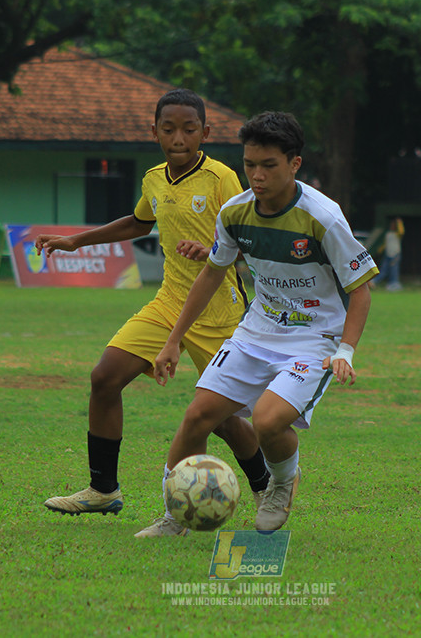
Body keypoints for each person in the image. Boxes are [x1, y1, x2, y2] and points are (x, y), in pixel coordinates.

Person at [34, 89, 271, 527]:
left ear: (205, 132)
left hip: (221, 315)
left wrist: (214, 251)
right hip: (167, 304)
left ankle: (266, 489)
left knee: (221, 420)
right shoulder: (154, 178)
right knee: (104, 377)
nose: (178, 138)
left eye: (188, 129)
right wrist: (75, 239)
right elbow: (140, 221)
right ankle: (103, 490)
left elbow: (253, 241)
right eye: (168, 129)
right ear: (155, 132)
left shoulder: (222, 179)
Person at [142, 111, 378, 536]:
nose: (257, 175)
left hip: (313, 338)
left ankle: (282, 481)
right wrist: (173, 341)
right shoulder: (234, 212)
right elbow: (213, 273)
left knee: (268, 422)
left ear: (294, 164)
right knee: (198, 416)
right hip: (255, 332)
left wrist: (345, 350)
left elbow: (360, 288)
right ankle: (175, 514)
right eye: (250, 164)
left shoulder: (322, 216)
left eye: (268, 165)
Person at [371, 216, 405, 291]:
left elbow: (401, 231)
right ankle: (374, 282)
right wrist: (379, 251)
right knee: (383, 269)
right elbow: (385, 244)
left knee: (394, 269)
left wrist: (399, 222)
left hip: (395, 254)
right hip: (388, 254)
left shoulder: (397, 234)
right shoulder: (388, 234)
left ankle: (394, 284)